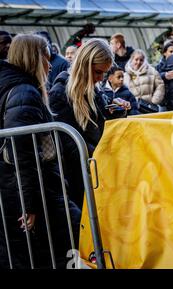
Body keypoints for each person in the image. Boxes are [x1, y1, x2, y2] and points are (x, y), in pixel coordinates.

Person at [0, 34, 80, 269]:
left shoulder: (16, 86)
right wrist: (29, 204)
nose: (50, 65)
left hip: (25, 187)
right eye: (47, 59)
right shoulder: (24, 92)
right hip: (31, 190)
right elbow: (21, 154)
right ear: (35, 58)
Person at [49, 38, 129, 208]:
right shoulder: (60, 93)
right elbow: (68, 141)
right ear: (84, 66)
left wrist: (117, 109)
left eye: (104, 74)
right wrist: (100, 155)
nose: (100, 79)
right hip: (79, 173)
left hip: (95, 167)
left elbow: (100, 122)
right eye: (97, 72)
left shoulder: (92, 88)